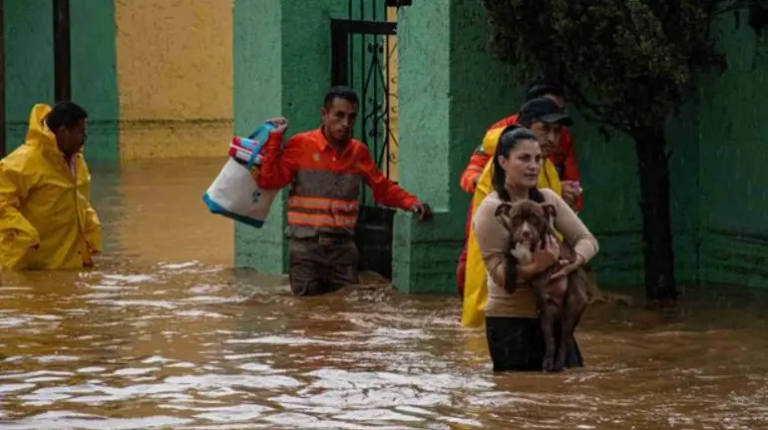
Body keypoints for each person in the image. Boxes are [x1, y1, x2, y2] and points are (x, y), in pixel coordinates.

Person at [256, 86, 432, 296]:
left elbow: (382, 189)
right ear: (324, 114)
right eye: (339, 116)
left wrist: (411, 203)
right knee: (307, 320)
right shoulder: (301, 144)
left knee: (346, 319)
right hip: (306, 250)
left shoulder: (358, 152)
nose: (346, 123)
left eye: (351, 117)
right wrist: (274, 140)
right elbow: (269, 180)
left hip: (344, 251)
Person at [473, 124, 599, 371]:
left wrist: (571, 263)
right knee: (522, 401)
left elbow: (588, 240)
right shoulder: (492, 209)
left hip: (554, 319)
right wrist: (537, 265)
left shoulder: (548, 199)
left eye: (538, 158)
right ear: (503, 162)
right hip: (511, 321)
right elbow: (499, 275)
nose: (533, 166)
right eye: (524, 158)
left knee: (564, 396)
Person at [0, 101, 102, 271]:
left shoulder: (77, 162)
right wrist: (25, 236)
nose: (84, 139)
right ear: (63, 131)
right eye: (80, 132)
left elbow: (78, 201)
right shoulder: (23, 162)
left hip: (68, 267)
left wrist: (91, 231)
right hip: (30, 268)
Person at [460, 81, 583, 211]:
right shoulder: (501, 136)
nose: (552, 137)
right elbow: (471, 173)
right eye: (545, 126)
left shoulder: (562, 138)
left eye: (560, 110)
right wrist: (491, 182)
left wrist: (568, 197)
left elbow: (573, 183)